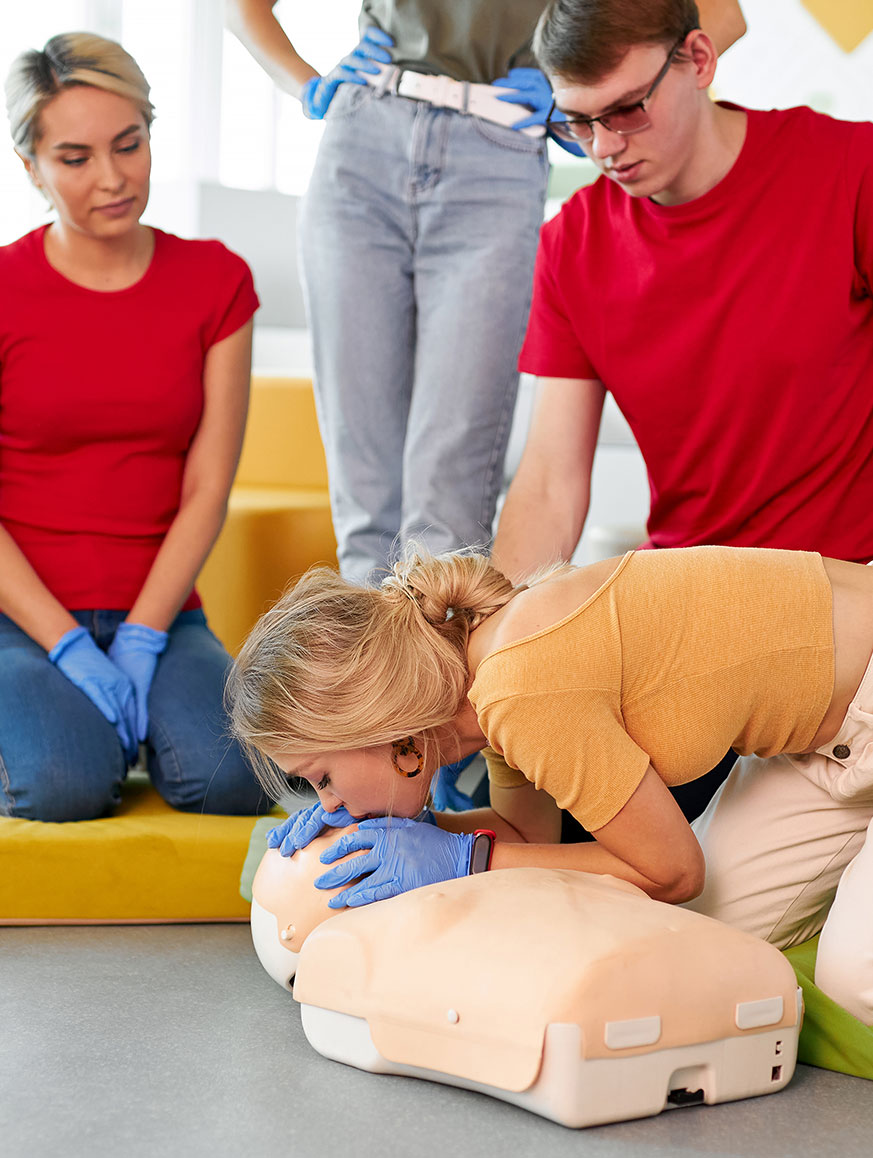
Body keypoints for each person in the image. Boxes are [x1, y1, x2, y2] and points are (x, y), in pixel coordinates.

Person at [227, 544, 873, 1026]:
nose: (332, 806)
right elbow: (524, 837)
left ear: (373, 723)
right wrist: (420, 833)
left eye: (322, 780)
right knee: (702, 941)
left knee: (855, 978)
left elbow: (674, 870)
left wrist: (462, 859)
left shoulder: (519, 690)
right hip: (822, 748)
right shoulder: (477, 680)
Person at [226, 1, 746, 587]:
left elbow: (723, 16)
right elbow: (241, 9)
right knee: (364, 493)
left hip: (498, 147)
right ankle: (378, 650)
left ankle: (448, 646)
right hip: (364, 139)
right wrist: (306, 86)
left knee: (449, 502)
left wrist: (574, 93)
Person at [492, 0, 873, 580]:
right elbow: (549, 482)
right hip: (688, 588)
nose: (603, 148)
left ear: (698, 60)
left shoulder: (850, 168)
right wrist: (499, 627)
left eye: (626, 110)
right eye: (578, 121)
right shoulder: (571, 243)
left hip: (849, 578)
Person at [0, 33, 265, 821]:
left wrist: (145, 636)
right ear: (32, 168)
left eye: (129, 144)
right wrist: (65, 644)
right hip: (18, 614)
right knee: (65, 786)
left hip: (162, 613)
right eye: (75, 158)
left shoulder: (217, 281)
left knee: (234, 780)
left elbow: (207, 488)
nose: (113, 178)